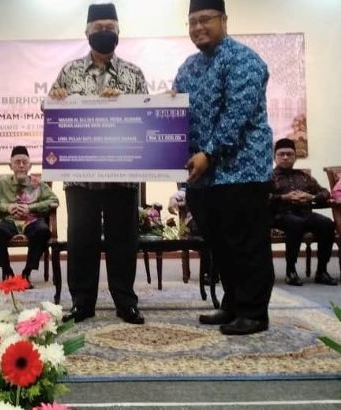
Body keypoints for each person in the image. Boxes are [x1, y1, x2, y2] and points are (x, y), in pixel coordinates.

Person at [173, 0, 275, 335]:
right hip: (203, 178)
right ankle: (233, 304)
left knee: (246, 243)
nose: (198, 28)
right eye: (192, 22)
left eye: (205, 20)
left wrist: (209, 152)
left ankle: (254, 312)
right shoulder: (188, 67)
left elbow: (236, 114)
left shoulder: (244, 60)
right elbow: (172, 106)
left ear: (224, 19)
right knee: (220, 245)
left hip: (242, 171)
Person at [48, 3, 148, 324]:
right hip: (80, 176)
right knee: (81, 241)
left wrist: (123, 104)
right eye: (98, 28)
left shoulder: (134, 73)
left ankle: (126, 301)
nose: (104, 32)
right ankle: (82, 303)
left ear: (118, 31)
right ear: (87, 32)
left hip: (123, 175)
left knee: (123, 241)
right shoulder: (69, 72)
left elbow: (147, 117)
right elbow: (49, 111)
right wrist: (55, 101)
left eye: (110, 28)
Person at [0, 146, 59, 286]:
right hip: (9, 222)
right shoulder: (2, 183)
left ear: (30, 166)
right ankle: (7, 270)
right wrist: (7, 207)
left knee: (43, 231)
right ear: (10, 165)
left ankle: (27, 272)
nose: (21, 166)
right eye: (17, 162)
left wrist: (30, 207)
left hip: (32, 221)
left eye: (25, 162)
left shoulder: (38, 183)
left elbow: (54, 200)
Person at [270, 138, 337, 286]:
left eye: (289, 154)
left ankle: (322, 271)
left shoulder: (303, 176)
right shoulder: (268, 176)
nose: (285, 157)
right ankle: (291, 271)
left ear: (295, 157)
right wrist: (284, 197)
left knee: (327, 224)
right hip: (280, 215)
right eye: (281, 154)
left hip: (305, 213)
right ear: (275, 157)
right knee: (295, 223)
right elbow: (261, 198)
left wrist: (311, 197)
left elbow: (325, 192)